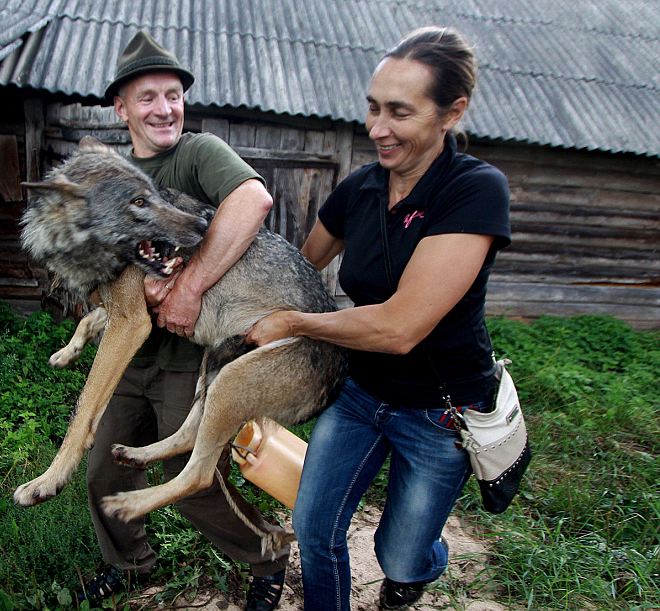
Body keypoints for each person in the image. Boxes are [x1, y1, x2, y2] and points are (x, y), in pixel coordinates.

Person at [245, 26, 511, 611]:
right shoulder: (360, 188)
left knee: (401, 553)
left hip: (441, 409)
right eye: (372, 107)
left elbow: (399, 328)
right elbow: (300, 267)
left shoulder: (475, 191)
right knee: (315, 529)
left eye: (399, 112)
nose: (377, 129)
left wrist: (293, 324)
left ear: (452, 111)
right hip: (360, 392)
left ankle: (416, 568)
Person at [77, 30, 289, 611]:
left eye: (173, 94)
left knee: (194, 486)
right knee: (102, 473)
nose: (164, 108)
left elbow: (253, 200)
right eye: (147, 97)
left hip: (192, 359)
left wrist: (189, 288)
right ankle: (129, 564)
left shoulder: (197, 154)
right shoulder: (114, 176)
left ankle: (268, 556)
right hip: (131, 355)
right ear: (121, 108)